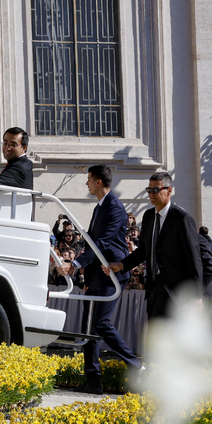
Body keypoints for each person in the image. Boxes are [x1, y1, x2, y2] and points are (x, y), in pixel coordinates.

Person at [57, 164, 142, 395]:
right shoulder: (100, 207)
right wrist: (86, 275)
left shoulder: (115, 208)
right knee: (88, 327)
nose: (86, 183)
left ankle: (138, 367)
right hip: (97, 275)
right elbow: (93, 242)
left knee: (101, 324)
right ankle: (93, 381)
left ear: (97, 182)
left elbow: (102, 244)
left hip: (112, 274)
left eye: (88, 179)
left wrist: (75, 264)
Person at [107, 171, 203, 320]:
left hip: (176, 292)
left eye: (156, 190)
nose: (151, 193)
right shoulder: (148, 216)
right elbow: (144, 250)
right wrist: (121, 264)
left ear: (169, 190)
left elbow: (193, 258)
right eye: (149, 190)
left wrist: (196, 295)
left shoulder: (182, 219)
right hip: (154, 289)